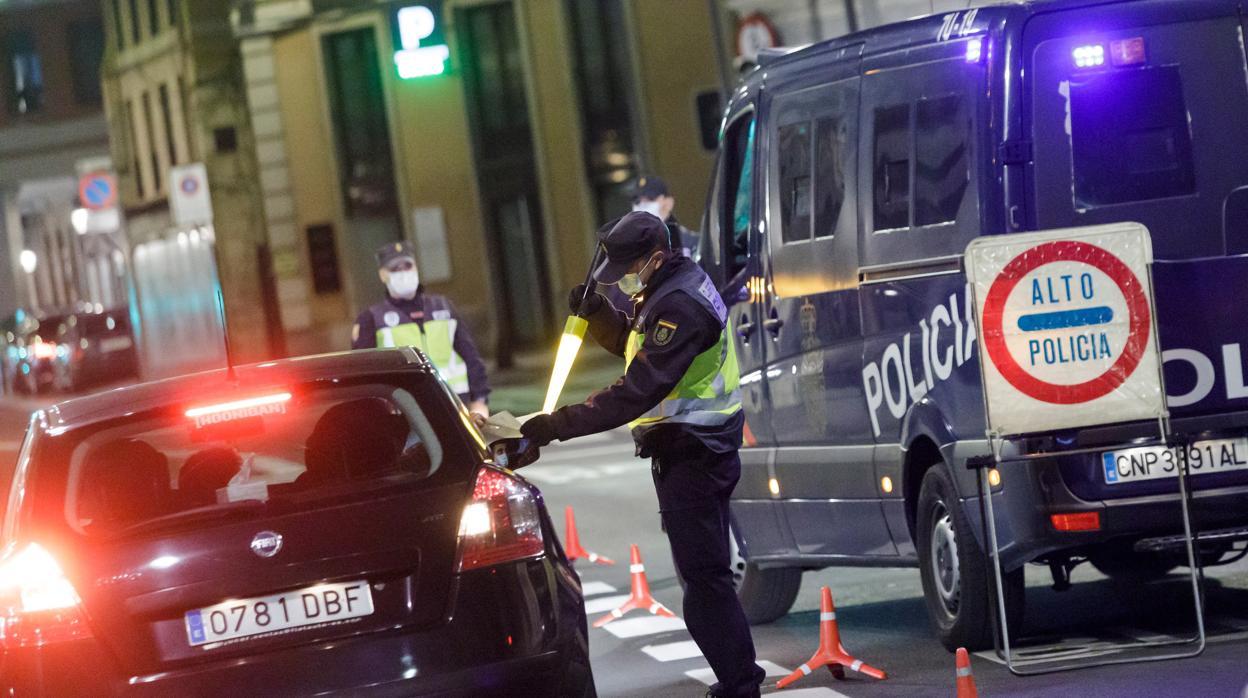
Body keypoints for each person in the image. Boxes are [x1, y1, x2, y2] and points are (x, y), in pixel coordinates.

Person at [521, 212, 765, 698]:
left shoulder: (681, 305)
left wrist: (557, 425)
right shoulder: (667, 287)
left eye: (627, 270)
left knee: (705, 584)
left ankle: (741, 685)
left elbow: (638, 388)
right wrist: (598, 313)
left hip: (696, 451)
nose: (621, 280)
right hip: (694, 448)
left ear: (654, 258)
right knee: (706, 579)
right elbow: (636, 343)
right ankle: (737, 681)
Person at [352, 241, 490, 421]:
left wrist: (480, 401)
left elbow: (471, 358)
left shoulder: (444, 307)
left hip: (455, 405)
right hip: (407, 412)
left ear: (416, 268)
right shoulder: (371, 319)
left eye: (407, 266)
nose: (403, 272)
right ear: (383, 275)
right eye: (395, 269)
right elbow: (363, 376)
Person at [630, 175, 701, 260]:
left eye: (650, 200)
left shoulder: (691, 244)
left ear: (668, 203)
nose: (642, 206)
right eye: (637, 202)